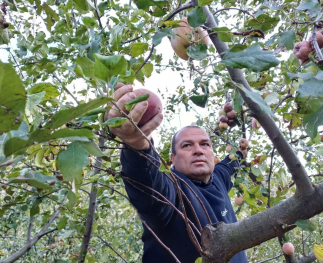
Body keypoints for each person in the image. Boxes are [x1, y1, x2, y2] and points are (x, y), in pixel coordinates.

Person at [105, 84, 248, 263]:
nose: (198, 150)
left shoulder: (218, 179)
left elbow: (230, 164)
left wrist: (242, 151)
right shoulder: (172, 189)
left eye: (205, 144)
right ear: (173, 159)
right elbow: (149, 183)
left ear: (212, 154)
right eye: (187, 145)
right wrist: (137, 146)